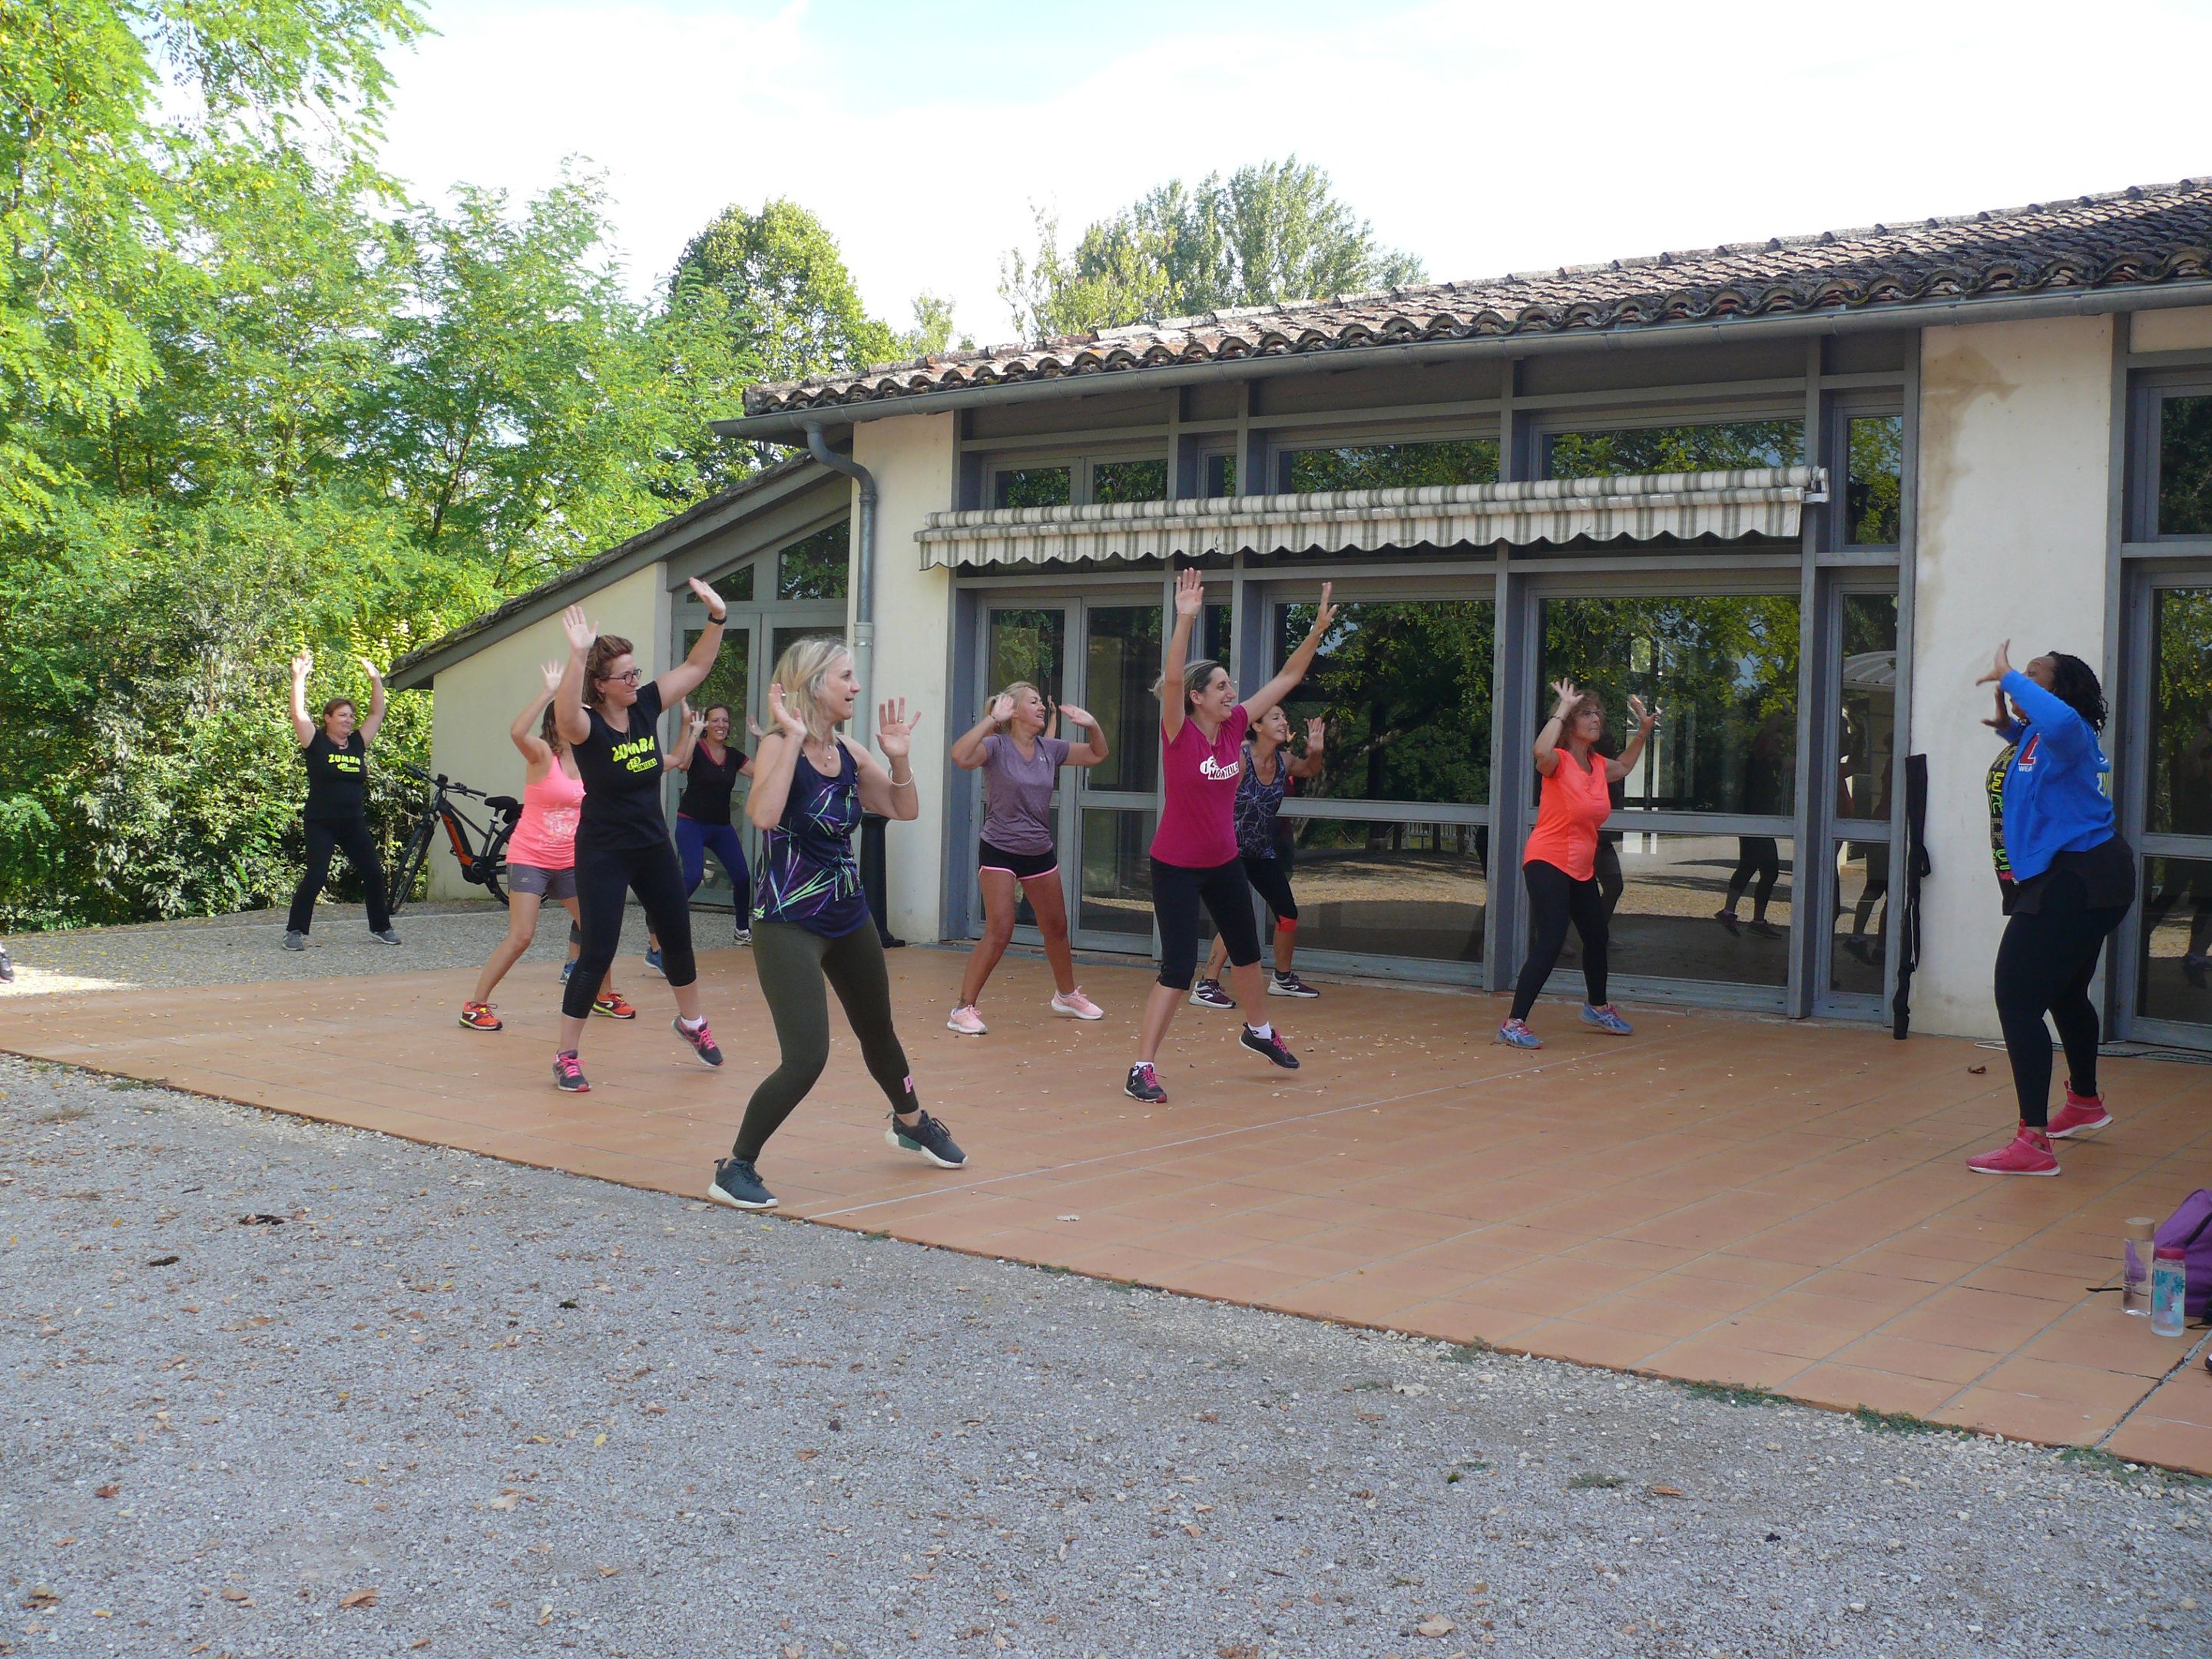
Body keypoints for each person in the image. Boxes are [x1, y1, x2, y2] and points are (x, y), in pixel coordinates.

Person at [707, 639, 962, 1210]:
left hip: (848, 914)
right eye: (846, 677)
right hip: (788, 921)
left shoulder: (848, 750)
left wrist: (897, 758)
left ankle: (912, 1122)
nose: (855, 686)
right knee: (806, 1056)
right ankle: (736, 1165)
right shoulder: (779, 744)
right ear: (813, 682)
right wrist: (794, 738)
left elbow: (903, 808)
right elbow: (764, 816)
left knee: (880, 1031)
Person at [1124, 570, 1336, 1105]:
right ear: (1197, 698)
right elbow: (1172, 680)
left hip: (1224, 862)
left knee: (1246, 952)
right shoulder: (1180, 733)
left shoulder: (1238, 726)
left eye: (1230, 686)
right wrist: (1186, 617)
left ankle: (1258, 1031)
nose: (1231, 692)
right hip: (1175, 864)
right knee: (1177, 968)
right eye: (1220, 685)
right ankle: (1141, 1068)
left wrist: (1315, 632)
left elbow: (1287, 679)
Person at [551, 587, 731, 1093]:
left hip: (652, 846)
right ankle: (566, 1055)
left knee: (677, 934)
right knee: (598, 949)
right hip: (604, 851)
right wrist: (578, 653)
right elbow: (564, 716)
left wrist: (718, 616)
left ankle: (692, 1024)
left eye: (636, 672)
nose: (636, 680)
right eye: (625, 675)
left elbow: (696, 668)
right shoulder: (586, 726)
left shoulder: (645, 705)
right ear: (601, 686)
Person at [1967, 641, 2136, 1177]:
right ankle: (2084, 1103)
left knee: (2016, 997)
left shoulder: (2071, 733)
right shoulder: (2039, 736)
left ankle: (2033, 1142)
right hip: (2084, 874)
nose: (2019, 680)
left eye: (2035, 675)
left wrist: (2010, 677)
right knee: (2064, 991)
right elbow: (2037, 762)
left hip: (2078, 876)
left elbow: (2062, 726)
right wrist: (2008, 727)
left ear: (2057, 691)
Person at [459, 664, 634, 1031]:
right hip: (530, 858)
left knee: (596, 929)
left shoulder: (591, 761)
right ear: (559, 722)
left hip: (570, 861)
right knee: (522, 935)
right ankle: (475, 1005)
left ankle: (604, 995)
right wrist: (548, 691)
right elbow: (516, 731)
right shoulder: (541, 754)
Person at [1498, 678, 1659, 1049]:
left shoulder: (1599, 766)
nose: (1596, 718)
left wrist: (1643, 732)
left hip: (1580, 867)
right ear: (1570, 723)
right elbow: (1540, 749)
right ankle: (1513, 1022)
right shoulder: (1559, 762)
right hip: (1547, 860)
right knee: (1552, 939)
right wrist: (1562, 708)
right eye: (1586, 713)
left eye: (1597, 713)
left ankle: (1597, 1006)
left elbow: (1625, 767)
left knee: (1596, 936)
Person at [945, 682, 1110, 1034]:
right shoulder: (995, 745)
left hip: (1038, 850)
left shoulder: (1050, 748)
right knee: (1000, 930)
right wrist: (991, 720)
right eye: (1033, 702)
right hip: (1000, 848)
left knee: (1056, 928)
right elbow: (960, 756)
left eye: (1041, 703)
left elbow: (1097, 754)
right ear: (1014, 710)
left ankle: (1066, 995)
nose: (1041, 708)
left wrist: (1093, 725)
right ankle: (963, 1008)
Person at [1191, 710, 1326, 1006]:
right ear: (1257, 725)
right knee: (1236, 917)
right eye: (1276, 718)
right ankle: (1206, 984)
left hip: (1261, 851)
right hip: (1229, 850)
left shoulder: (1284, 761)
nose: (1284, 722)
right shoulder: (1240, 758)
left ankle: (1283, 978)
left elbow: (1309, 770)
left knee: (1288, 913)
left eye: (1284, 717)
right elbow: (1208, 792)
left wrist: (1316, 751)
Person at [283, 650, 399, 949]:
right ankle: (295, 931)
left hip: (353, 823)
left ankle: (381, 927)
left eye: (351, 715)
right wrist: (299, 678)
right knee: (317, 875)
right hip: (321, 822)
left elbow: (377, 713)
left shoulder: (358, 743)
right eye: (343, 715)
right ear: (328, 718)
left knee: (373, 872)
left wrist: (376, 680)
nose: (349, 720)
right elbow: (298, 714)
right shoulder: (316, 742)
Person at [645, 701, 754, 972]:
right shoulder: (699, 748)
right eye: (715, 720)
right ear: (706, 724)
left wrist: (771, 738)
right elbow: (682, 763)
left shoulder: (733, 756)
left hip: (720, 827)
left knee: (742, 877)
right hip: (691, 823)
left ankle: (742, 930)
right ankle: (659, 924)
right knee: (692, 876)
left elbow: (764, 772)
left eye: (725, 721)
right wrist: (692, 731)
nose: (721, 725)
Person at [1714, 711, 1791, 939]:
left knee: (1766, 870)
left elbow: (1798, 763)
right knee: (1755, 867)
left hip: (1764, 825)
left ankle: (1751, 918)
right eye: (1776, 741)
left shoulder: (1773, 764)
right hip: (1752, 823)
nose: (1780, 744)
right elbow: (1766, 735)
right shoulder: (1757, 758)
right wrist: (1782, 713)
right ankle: (1731, 913)